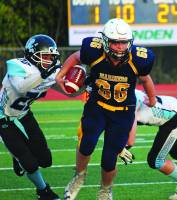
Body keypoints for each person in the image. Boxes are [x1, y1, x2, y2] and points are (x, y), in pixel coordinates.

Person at [55, 18, 156, 200]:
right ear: (105, 41)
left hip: (123, 113)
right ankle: (79, 177)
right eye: (115, 42)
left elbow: (146, 79)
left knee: (109, 160)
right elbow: (76, 57)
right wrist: (60, 75)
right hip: (97, 107)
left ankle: (105, 189)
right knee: (86, 145)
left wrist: (153, 99)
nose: (119, 47)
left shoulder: (138, 59)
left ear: (130, 42)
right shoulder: (94, 51)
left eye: (123, 42)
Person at [0, 34, 62, 199]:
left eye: (51, 57)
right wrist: (44, 72)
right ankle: (43, 191)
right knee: (29, 163)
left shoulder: (51, 70)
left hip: (25, 114)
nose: (49, 60)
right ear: (32, 54)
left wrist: (83, 79)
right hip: (3, 118)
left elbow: (69, 84)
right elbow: (21, 88)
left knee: (46, 160)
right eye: (45, 56)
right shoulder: (17, 65)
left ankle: (18, 156)